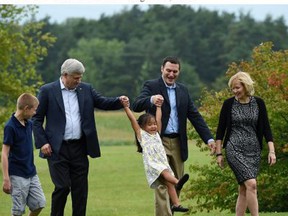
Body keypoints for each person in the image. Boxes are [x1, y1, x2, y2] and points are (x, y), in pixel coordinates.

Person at [32, 58, 128, 216]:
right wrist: (43, 143)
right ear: (65, 75)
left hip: (80, 148)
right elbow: (36, 120)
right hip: (56, 148)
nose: (79, 81)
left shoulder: (86, 89)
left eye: (80, 77)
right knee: (62, 187)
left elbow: (103, 103)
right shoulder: (47, 90)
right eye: (76, 77)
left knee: (80, 190)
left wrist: (119, 101)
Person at [132, 56, 216, 216]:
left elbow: (195, 115)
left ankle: (173, 208)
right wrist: (151, 99)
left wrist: (209, 139)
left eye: (175, 71)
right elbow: (136, 104)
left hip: (178, 142)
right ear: (162, 69)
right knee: (163, 182)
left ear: (179, 72)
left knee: (177, 181)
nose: (171, 74)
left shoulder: (183, 90)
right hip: (157, 141)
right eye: (168, 70)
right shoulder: (151, 85)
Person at [215, 71, 276, 216]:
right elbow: (220, 130)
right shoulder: (228, 104)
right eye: (233, 88)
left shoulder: (259, 103)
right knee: (252, 184)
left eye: (237, 87)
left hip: (254, 151)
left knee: (244, 188)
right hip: (234, 149)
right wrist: (219, 153)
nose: (235, 91)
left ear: (246, 86)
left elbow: (266, 128)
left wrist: (271, 151)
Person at [122, 96, 189, 213]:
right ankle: (178, 182)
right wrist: (126, 107)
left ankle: (176, 204)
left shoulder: (157, 134)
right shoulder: (141, 135)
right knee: (167, 174)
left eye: (154, 124)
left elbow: (159, 118)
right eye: (150, 124)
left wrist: (158, 107)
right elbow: (132, 119)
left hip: (162, 161)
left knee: (169, 183)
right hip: (153, 164)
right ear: (142, 127)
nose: (153, 126)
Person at [1, 93, 46, 216]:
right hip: (17, 175)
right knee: (18, 211)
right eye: (34, 110)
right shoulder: (10, 127)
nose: (35, 113)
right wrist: (6, 179)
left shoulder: (29, 124)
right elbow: (4, 153)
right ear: (26, 108)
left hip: (31, 172)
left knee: (39, 203)